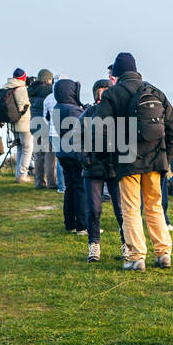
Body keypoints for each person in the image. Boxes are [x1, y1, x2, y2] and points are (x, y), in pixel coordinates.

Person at [87, 52, 173, 272]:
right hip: (156, 159)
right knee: (154, 206)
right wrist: (166, 158)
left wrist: (107, 160)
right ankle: (163, 252)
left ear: (116, 74)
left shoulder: (112, 94)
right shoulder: (155, 92)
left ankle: (136, 256)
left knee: (130, 208)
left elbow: (100, 131)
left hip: (127, 161)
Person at [80, 79, 123, 263]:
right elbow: (77, 138)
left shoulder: (117, 113)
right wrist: (85, 158)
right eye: (100, 90)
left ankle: (127, 243)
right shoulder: (88, 114)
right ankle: (94, 245)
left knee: (121, 210)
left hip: (115, 166)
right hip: (93, 167)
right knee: (93, 209)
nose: (103, 94)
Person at [52, 79, 87, 234]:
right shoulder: (74, 110)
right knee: (80, 188)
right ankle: (82, 225)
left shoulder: (57, 107)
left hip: (63, 152)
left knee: (70, 188)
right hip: (75, 153)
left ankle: (70, 223)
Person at [30, 69, 59, 190]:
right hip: (46, 124)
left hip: (34, 124)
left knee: (38, 154)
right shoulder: (50, 90)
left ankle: (39, 182)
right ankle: (51, 183)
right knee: (50, 155)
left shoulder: (31, 90)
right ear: (49, 79)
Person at [3, 68, 33, 183]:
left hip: (13, 124)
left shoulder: (8, 87)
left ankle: (18, 174)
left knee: (20, 148)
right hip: (24, 124)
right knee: (27, 149)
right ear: (23, 78)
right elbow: (23, 106)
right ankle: (22, 175)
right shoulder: (21, 89)